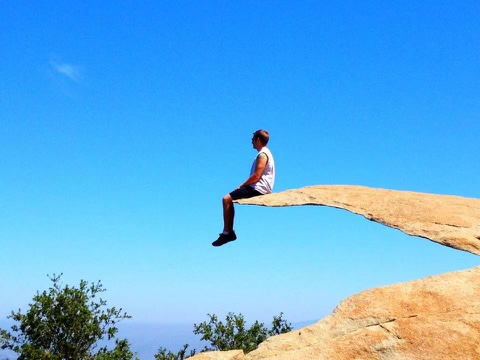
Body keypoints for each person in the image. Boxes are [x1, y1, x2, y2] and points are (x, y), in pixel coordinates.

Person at [212, 129, 275, 247]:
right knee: (229, 199)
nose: (251, 142)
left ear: (257, 140)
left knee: (226, 199)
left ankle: (227, 232)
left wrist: (242, 185)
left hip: (258, 188)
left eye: (252, 140)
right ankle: (228, 231)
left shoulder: (262, 154)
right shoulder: (266, 153)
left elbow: (256, 176)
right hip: (261, 187)